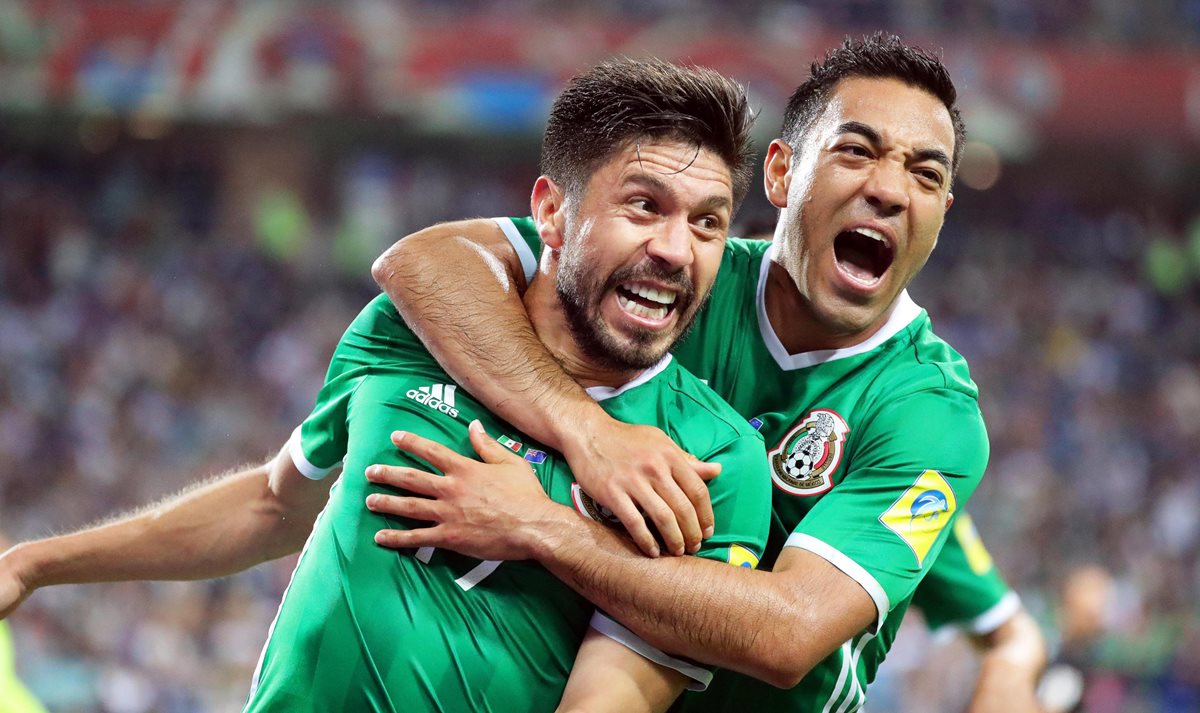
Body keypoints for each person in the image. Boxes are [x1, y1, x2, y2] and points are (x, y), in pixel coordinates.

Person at [0, 58, 772, 712]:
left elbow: (608, 701)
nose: (677, 249)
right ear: (551, 213)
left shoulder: (712, 458)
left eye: (708, 222)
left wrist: (542, 528)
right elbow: (273, 503)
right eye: (644, 206)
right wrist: (37, 562)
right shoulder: (415, 326)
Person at [363, 34, 1037, 712]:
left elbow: (790, 634)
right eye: (856, 151)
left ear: (942, 214)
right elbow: (426, 263)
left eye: (926, 174)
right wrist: (586, 431)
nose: (889, 190)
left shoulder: (928, 414)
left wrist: (542, 527)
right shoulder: (676, 270)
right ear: (781, 173)